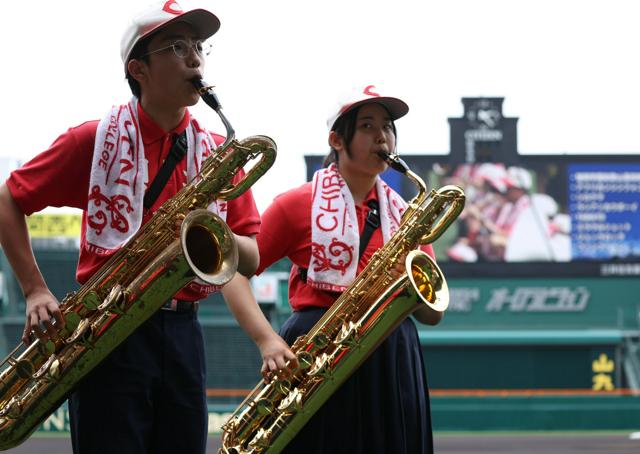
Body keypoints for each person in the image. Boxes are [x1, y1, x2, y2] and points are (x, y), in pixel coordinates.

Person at [0, 2, 292, 453]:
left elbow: (250, 257)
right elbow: (8, 199)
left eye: (198, 46)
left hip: (183, 335)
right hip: (104, 335)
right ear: (138, 69)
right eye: (177, 46)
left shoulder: (220, 153)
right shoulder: (92, 140)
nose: (195, 57)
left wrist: (206, 228)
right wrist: (36, 289)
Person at [226, 85, 442, 453]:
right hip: (315, 353)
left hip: (391, 356)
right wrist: (267, 340)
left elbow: (431, 311)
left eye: (388, 127)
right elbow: (232, 270)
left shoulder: (407, 216)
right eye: (367, 126)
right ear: (337, 140)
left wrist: (398, 282)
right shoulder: (296, 203)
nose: (382, 137)